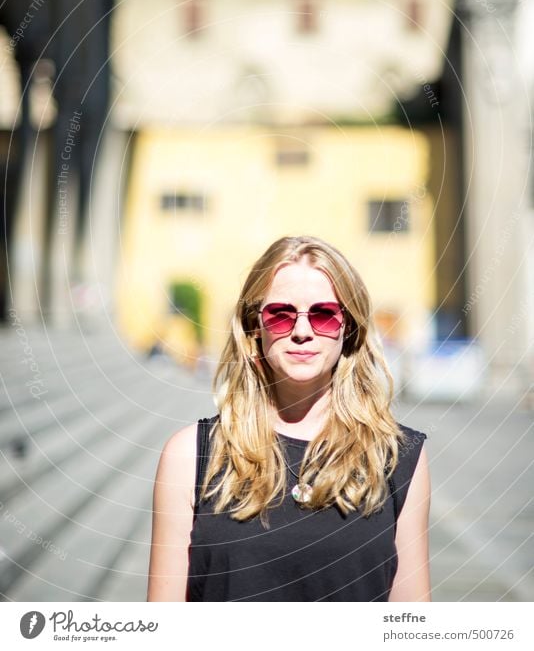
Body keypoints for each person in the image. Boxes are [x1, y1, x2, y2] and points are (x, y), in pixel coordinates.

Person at [147, 235, 431, 602]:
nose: (301, 331)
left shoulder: (398, 458)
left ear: (348, 330)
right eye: (280, 315)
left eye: (324, 315)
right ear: (254, 330)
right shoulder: (189, 457)